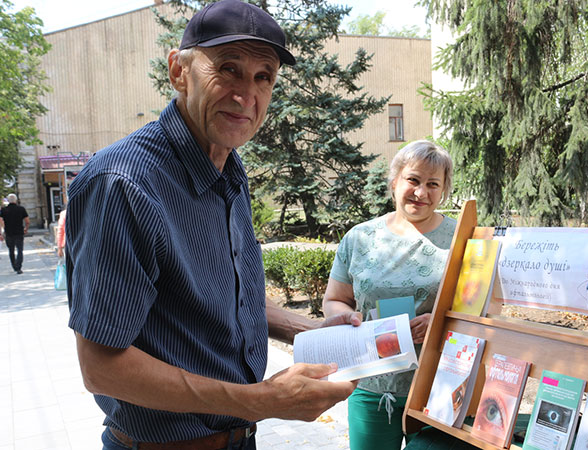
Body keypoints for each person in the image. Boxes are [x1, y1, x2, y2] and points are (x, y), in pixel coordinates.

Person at [65, 1, 359, 449]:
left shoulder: (228, 168)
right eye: (228, 69)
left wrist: (308, 330)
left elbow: (226, 302)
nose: (246, 95)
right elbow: (102, 368)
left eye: (264, 76)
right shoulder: (123, 183)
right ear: (178, 72)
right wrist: (261, 401)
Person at [322, 139, 456, 450]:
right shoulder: (360, 238)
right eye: (413, 180)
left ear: (443, 190)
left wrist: (439, 321)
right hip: (370, 384)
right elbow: (334, 300)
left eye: (433, 184)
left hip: (439, 388)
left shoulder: (462, 238)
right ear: (395, 181)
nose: (421, 192)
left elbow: (481, 311)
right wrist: (352, 322)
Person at [0, 193, 29, 274]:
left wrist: (2, 231)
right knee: (20, 250)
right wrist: (26, 229)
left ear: (8, 200)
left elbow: (0, 220)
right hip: (19, 232)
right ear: (16, 200)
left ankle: (14, 266)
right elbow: (27, 221)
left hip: (9, 233)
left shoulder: (4, 210)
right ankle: (19, 267)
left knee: (11, 250)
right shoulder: (21, 209)